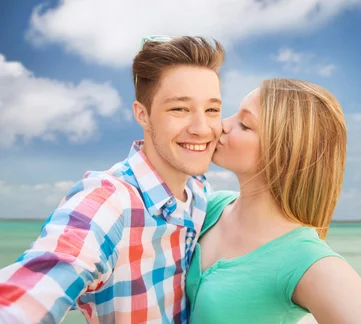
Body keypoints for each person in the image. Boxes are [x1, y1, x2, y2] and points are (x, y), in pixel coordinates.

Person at [0, 36, 224, 323]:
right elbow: (39, 284)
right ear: (142, 115)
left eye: (212, 110)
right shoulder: (109, 201)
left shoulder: (200, 192)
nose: (201, 128)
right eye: (179, 109)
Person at [186, 79, 361, 324]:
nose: (222, 125)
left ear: (285, 152)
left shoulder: (303, 258)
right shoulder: (211, 207)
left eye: (244, 124)